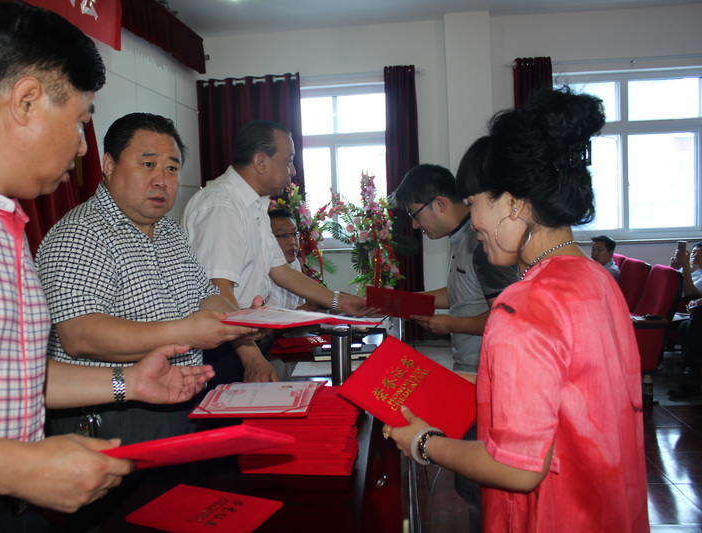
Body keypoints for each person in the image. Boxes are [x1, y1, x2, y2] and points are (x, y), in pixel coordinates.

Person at [0, 4, 213, 532]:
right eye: (79, 122)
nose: (81, 146)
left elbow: (8, 376)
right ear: (26, 100)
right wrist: (22, 467)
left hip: (6, 508)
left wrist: (129, 383)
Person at [384, 87, 648, 532]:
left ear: (513, 202)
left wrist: (423, 442)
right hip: (604, 505)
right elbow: (566, 392)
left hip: (552, 515)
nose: (475, 223)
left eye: (475, 204)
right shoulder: (596, 278)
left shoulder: (523, 303)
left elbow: (517, 468)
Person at [36, 112, 277, 446]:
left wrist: (241, 321)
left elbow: (205, 295)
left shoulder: (168, 232)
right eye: (148, 164)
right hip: (112, 411)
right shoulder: (80, 234)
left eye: (172, 168)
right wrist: (185, 331)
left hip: (180, 398)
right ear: (109, 165)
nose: (162, 180)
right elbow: (79, 335)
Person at [390, 157, 519, 533]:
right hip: (467, 369)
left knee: (478, 480)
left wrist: (451, 324)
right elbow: (461, 293)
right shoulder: (460, 239)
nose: (415, 225)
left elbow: (507, 318)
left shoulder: (483, 244)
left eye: (415, 215)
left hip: (485, 375)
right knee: (469, 480)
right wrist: (405, 302)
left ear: (440, 203)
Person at [182, 120, 371, 316]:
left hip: (248, 324)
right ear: (261, 162)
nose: (293, 171)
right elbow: (219, 290)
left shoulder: (255, 204)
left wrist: (339, 302)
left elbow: (281, 270)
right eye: (288, 161)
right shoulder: (222, 206)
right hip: (231, 327)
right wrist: (246, 336)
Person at [267, 209, 306, 310]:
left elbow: (300, 306)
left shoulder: (294, 263)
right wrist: (312, 307)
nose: (292, 242)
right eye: (283, 236)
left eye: (294, 234)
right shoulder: (263, 270)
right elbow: (272, 317)